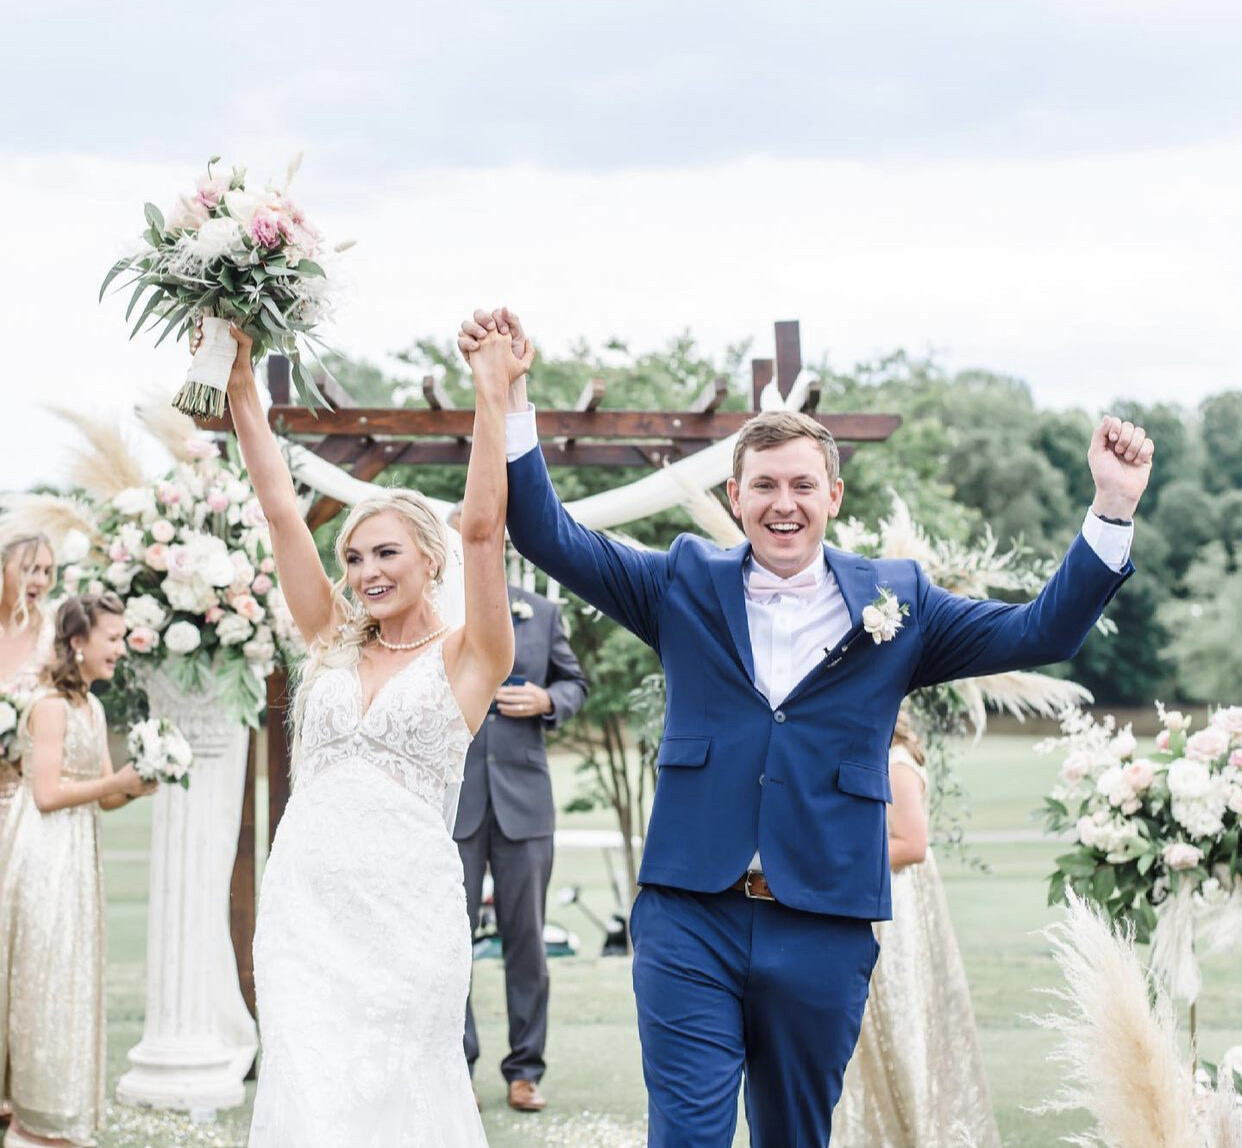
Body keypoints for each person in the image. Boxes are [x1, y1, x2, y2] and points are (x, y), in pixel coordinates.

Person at [459, 305, 1153, 1148]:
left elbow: (1042, 632)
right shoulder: (680, 582)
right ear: (735, 495)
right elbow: (552, 535)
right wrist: (516, 396)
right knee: (686, 1137)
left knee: (795, 1137)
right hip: (688, 913)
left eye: (800, 485)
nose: (782, 505)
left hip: (822, 921)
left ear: (833, 495)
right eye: (763, 486)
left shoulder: (902, 601)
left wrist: (1111, 511)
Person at [213, 320, 530, 1148]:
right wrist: (242, 382)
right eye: (353, 559)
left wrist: (489, 394)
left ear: (430, 558)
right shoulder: (331, 638)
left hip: (406, 910)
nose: (365, 574)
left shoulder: (473, 658)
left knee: (395, 1085)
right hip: (306, 902)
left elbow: (485, 528)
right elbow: (282, 512)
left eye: (384, 553)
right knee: (310, 1088)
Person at [0, 592, 157, 1148]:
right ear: (76, 642)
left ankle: (58, 1114)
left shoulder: (94, 706)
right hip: (42, 858)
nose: (120, 648)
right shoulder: (49, 705)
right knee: (43, 980)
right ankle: (30, 1120)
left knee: (72, 979)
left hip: (77, 857)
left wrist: (138, 786)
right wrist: (114, 785)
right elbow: (44, 794)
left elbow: (103, 796)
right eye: (111, 638)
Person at [447, 504, 589, 1113]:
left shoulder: (542, 611)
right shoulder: (430, 615)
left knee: (526, 943)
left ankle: (525, 1071)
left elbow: (576, 683)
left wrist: (547, 699)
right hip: (450, 806)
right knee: (445, 943)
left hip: (525, 807)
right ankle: (454, 1066)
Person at [834, 709, 1002, 1148]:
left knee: (901, 1027)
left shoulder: (896, 762)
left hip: (895, 911)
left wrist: (837, 858)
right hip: (867, 900)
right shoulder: (870, 757)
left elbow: (912, 844)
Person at [0, 531, 56, 818]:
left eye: (47, 571)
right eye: (30, 569)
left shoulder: (53, 638)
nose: (41, 581)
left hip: (28, 804)